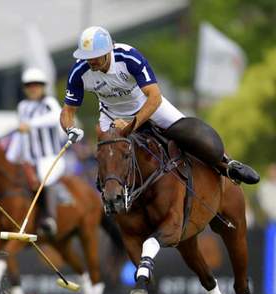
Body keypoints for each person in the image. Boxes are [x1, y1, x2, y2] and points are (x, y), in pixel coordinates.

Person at [60, 26, 260, 185]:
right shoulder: (79, 72)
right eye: (87, 58)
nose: (91, 62)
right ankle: (112, 196)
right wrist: (70, 129)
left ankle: (227, 165)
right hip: (111, 115)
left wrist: (131, 125)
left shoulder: (129, 57)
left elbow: (154, 96)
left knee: (191, 134)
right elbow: (68, 111)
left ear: (108, 51)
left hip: (148, 106)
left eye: (95, 56)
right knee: (108, 156)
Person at [6, 68, 70, 235]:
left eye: (36, 85)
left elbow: (56, 116)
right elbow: (21, 135)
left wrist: (31, 124)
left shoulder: (49, 103)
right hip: (29, 160)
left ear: (43, 87)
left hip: (50, 157)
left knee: (44, 177)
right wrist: (10, 158)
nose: (33, 88)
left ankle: (50, 219)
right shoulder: (22, 106)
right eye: (29, 85)